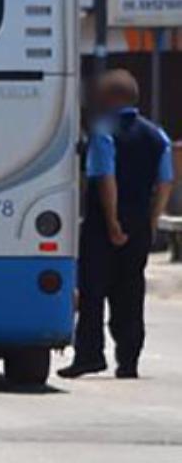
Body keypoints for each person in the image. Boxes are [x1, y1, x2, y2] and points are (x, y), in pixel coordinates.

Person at [58, 69, 174, 380]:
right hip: (139, 222)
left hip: (104, 222)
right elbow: (165, 183)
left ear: (110, 97)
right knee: (130, 291)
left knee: (93, 291)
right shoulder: (157, 135)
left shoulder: (103, 131)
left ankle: (89, 355)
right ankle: (129, 359)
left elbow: (105, 179)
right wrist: (150, 223)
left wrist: (112, 222)